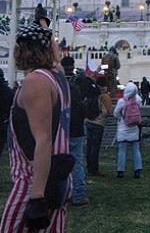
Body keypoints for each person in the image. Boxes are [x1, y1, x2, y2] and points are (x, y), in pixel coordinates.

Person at [0, 23, 71, 232]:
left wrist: (37, 197)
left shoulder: (36, 81)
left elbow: (43, 140)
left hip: (33, 179)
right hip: (58, 176)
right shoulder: (57, 76)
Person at [61, 56, 88, 207]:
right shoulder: (80, 81)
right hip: (77, 127)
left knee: (59, 161)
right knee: (77, 161)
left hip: (61, 127)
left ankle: (61, 194)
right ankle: (78, 195)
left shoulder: (57, 81)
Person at [114, 82, 143, 178]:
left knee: (122, 150)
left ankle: (120, 170)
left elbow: (116, 113)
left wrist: (121, 118)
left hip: (123, 128)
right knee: (136, 149)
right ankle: (138, 169)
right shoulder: (138, 99)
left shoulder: (122, 101)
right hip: (134, 128)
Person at [84, 77, 111, 177]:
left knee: (89, 146)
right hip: (98, 123)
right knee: (95, 147)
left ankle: (89, 167)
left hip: (88, 121)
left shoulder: (92, 93)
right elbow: (107, 112)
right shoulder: (104, 96)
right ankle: (94, 170)